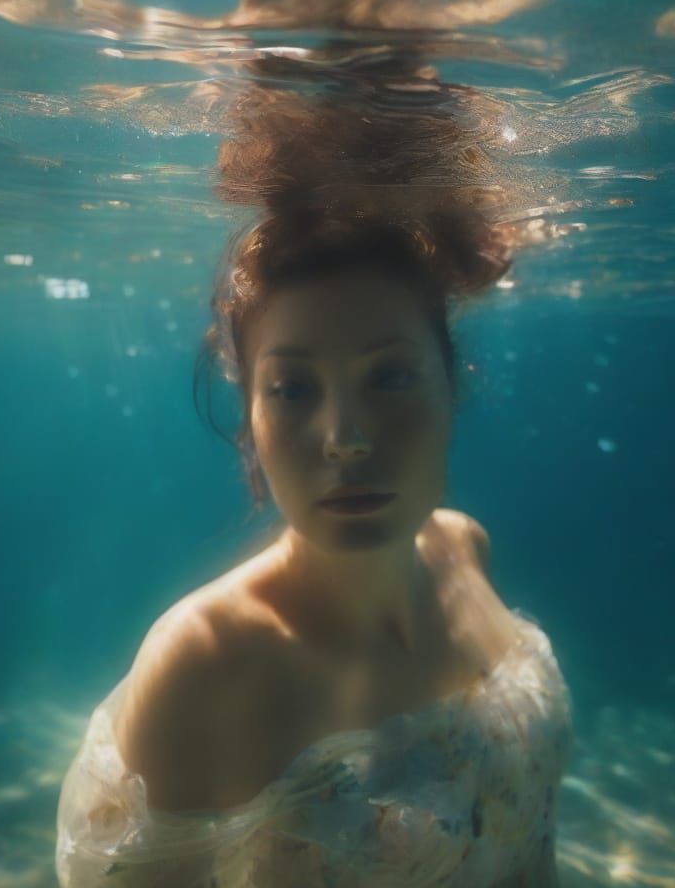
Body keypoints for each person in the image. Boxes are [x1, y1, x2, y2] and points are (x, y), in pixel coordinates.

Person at [55, 54, 573, 886]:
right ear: (249, 421)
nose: (346, 438)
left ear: (452, 383)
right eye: (293, 388)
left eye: (390, 376)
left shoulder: (465, 549)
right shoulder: (205, 663)